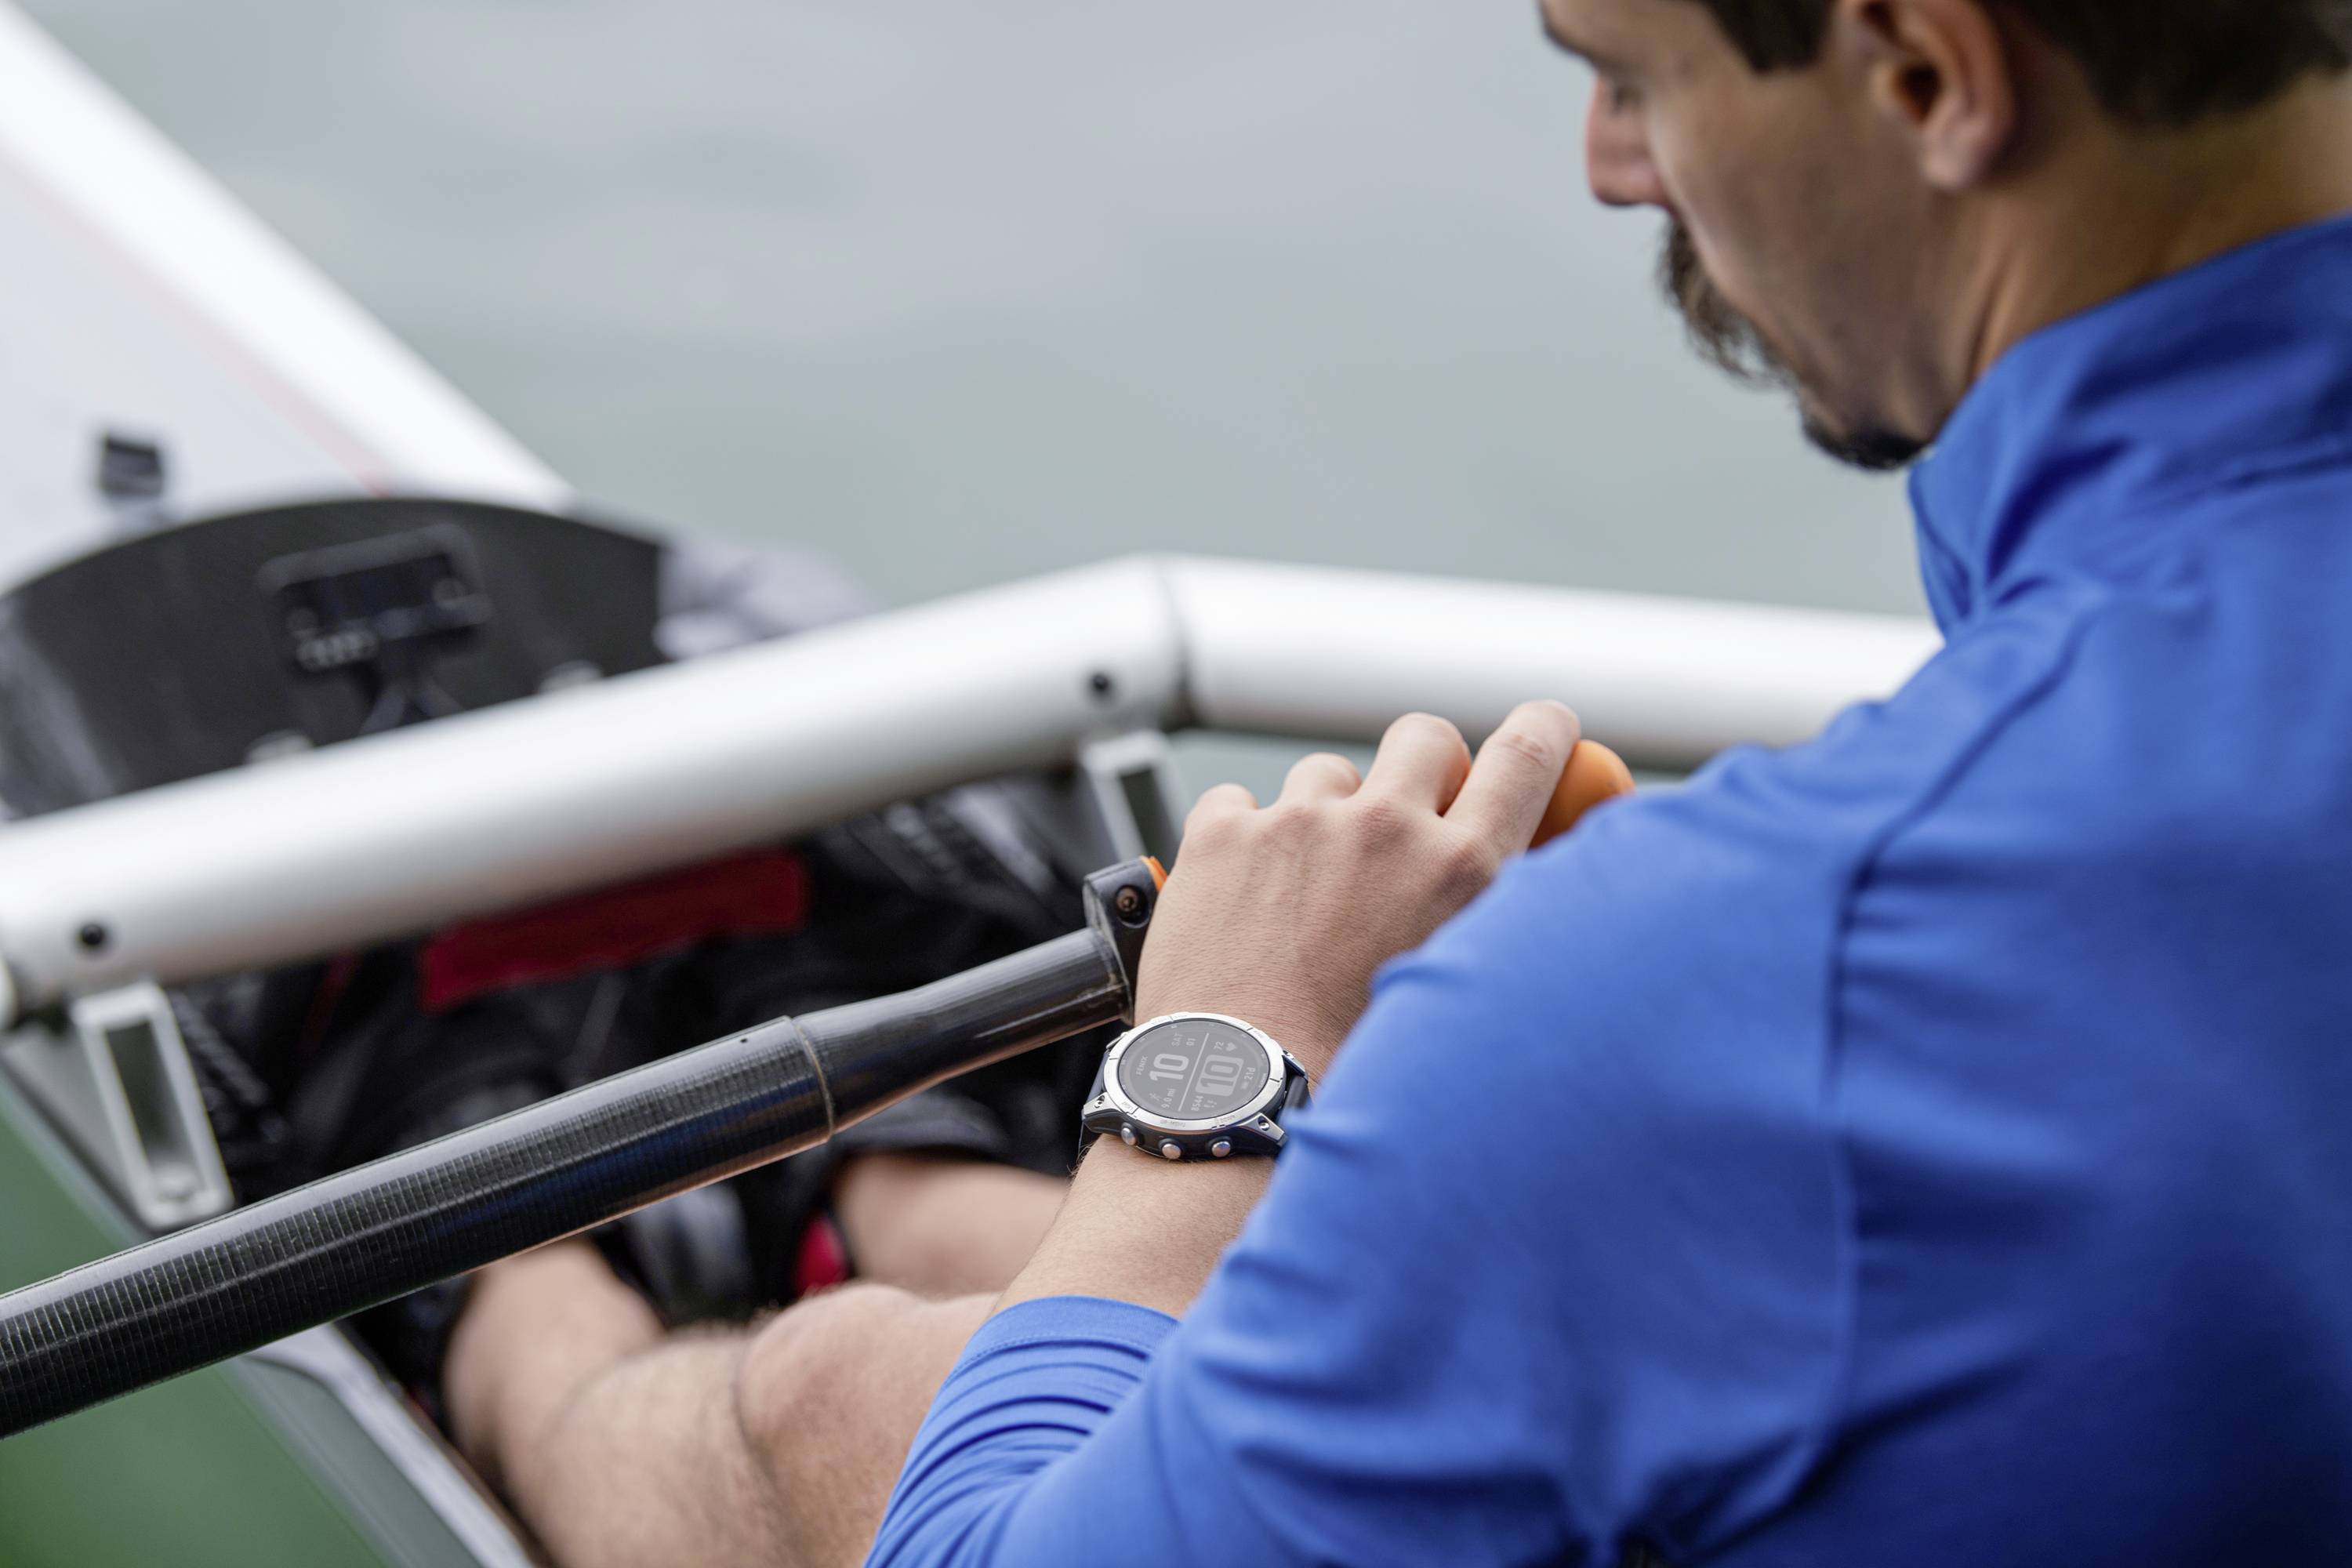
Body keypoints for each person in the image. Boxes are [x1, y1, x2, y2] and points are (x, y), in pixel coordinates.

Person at [446, 0, 2352, 1563]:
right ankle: (884, 1178)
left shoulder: (1757, 975)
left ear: (1927, 70)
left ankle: (495, 1248)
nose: (1610, 164)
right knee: (1042, 1276)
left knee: (839, 1399)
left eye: (1628, 75)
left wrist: (1224, 1062)